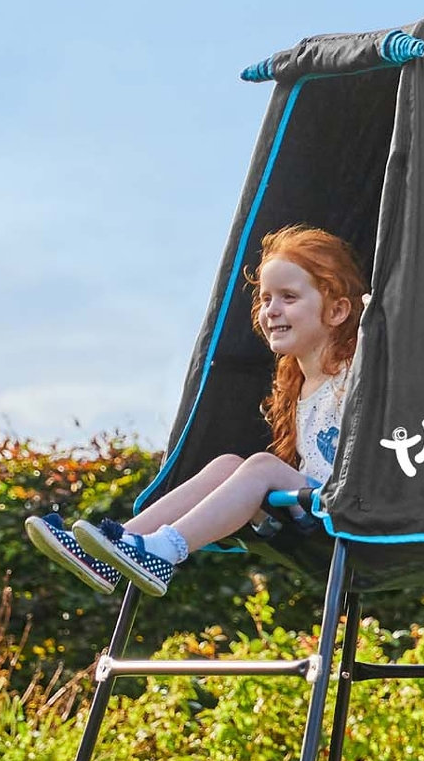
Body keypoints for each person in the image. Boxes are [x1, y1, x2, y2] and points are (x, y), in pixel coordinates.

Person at [23, 225, 365, 597]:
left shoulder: (358, 371)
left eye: (288, 297)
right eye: (265, 299)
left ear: (337, 310)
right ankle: (119, 545)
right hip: (310, 508)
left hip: (348, 507)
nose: (272, 311)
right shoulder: (298, 384)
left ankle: (165, 550)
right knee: (227, 465)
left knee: (262, 467)